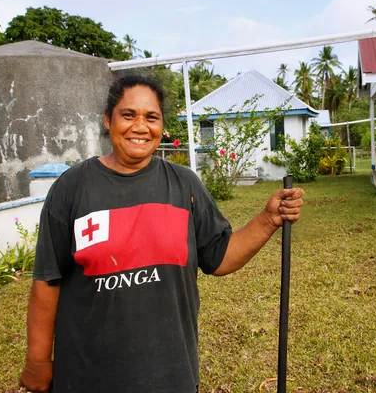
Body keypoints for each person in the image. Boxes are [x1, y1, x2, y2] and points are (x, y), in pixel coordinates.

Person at [19, 75, 304, 393]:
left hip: (170, 375)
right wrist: (38, 361)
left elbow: (219, 257)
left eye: (151, 117)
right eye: (128, 115)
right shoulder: (71, 188)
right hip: (87, 376)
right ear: (107, 120)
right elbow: (47, 281)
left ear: (161, 126)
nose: (140, 126)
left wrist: (268, 219)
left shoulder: (184, 184)